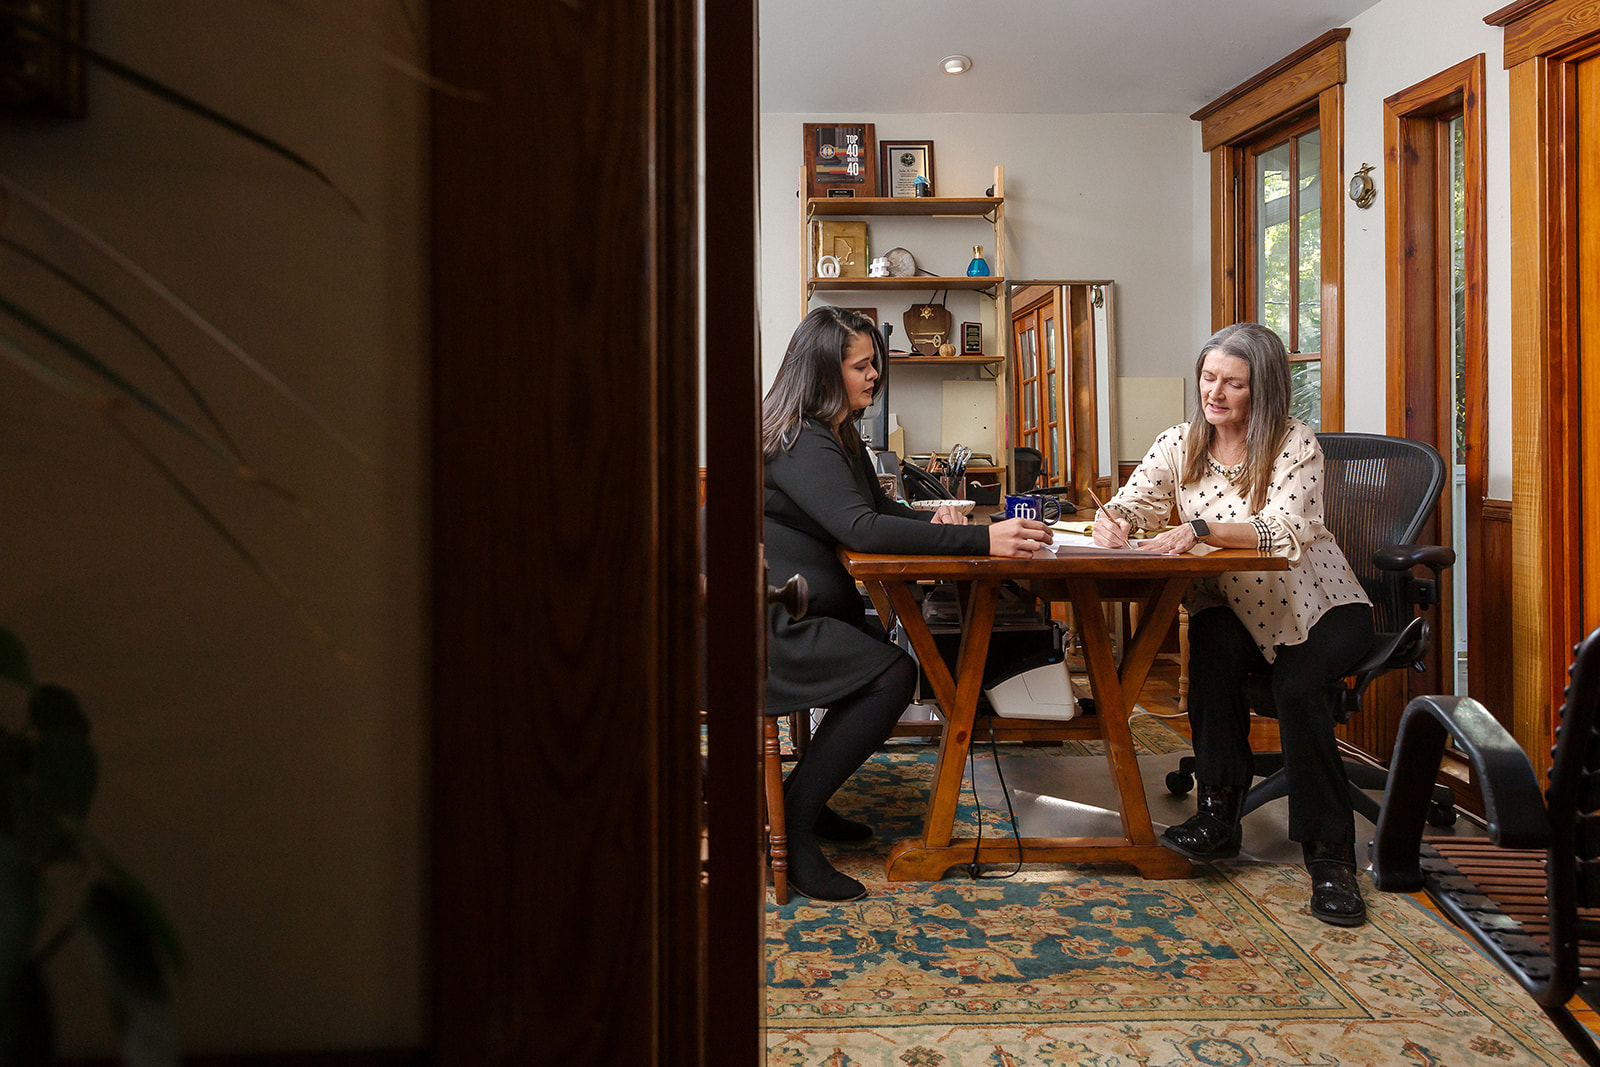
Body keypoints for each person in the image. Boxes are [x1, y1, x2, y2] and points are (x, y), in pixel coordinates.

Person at [763, 305, 1050, 902]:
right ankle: (792, 815)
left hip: (795, 610)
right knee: (892, 674)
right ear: (823, 371)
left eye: (876, 364)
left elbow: (881, 513)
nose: (875, 376)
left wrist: (937, 515)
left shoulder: (834, 433)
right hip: (763, 624)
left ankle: (804, 801)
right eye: (862, 366)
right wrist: (981, 538)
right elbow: (862, 529)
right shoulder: (802, 440)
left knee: (884, 657)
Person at [1092, 322, 1374, 927]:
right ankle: (1217, 815)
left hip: (1317, 606)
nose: (1214, 393)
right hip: (1236, 607)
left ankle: (1331, 858)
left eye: (1233, 384)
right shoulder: (1180, 442)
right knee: (1213, 648)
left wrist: (1199, 530)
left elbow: (1285, 531)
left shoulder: (1294, 443)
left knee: (1296, 687)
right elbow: (1136, 500)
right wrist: (1111, 519)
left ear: (1262, 390)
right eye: (1208, 377)